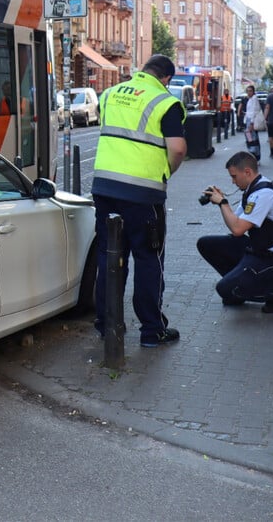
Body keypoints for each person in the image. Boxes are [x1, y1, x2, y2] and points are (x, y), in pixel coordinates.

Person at [92, 54, 186, 348]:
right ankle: (151, 331)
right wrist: (166, 171)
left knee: (109, 258)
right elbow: (178, 149)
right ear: (166, 79)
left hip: (105, 188)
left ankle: (107, 325)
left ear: (143, 70)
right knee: (148, 258)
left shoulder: (109, 94)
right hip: (143, 194)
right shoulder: (165, 101)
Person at [196, 151, 273, 313]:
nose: (233, 181)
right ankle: (242, 282)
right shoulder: (253, 189)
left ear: (247, 172)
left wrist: (223, 203)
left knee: (224, 290)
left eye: (234, 176)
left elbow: (237, 229)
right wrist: (222, 201)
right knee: (206, 244)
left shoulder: (263, 194)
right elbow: (235, 220)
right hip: (260, 248)